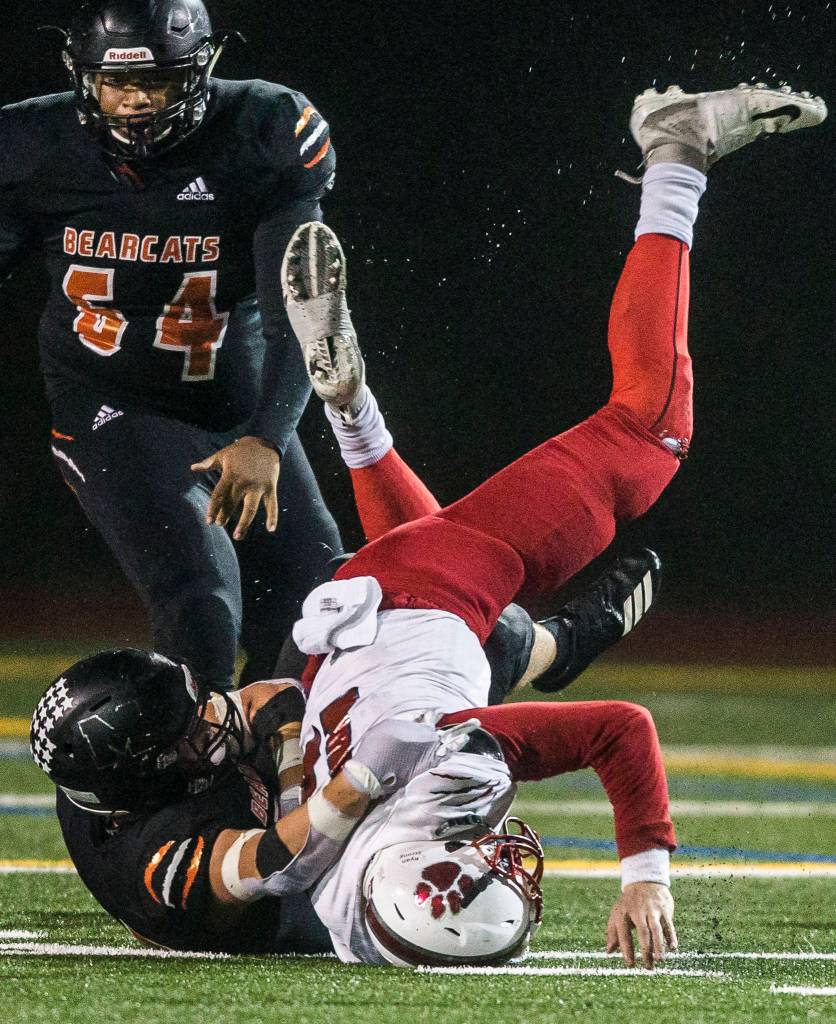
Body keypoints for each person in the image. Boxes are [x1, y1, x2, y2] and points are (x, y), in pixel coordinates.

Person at [30, 78, 826, 967]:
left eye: (466, 861)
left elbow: (621, 732)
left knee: (652, 425)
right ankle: (516, 602)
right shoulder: (334, 902)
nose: (498, 859)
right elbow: (288, 789)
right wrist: (314, 770)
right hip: (360, 622)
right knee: (453, 612)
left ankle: (675, 158)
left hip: (415, 605)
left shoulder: (442, 772)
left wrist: (646, 869)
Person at [0, 0, 343, 690]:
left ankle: (272, 781)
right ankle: (174, 793)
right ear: (82, 75)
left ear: (200, 71)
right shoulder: (30, 142)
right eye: (115, 83)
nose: (133, 102)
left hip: (234, 404)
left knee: (322, 610)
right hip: (111, 405)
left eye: (154, 82)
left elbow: (301, 312)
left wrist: (268, 437)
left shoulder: (262, 131)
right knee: (202, 600)